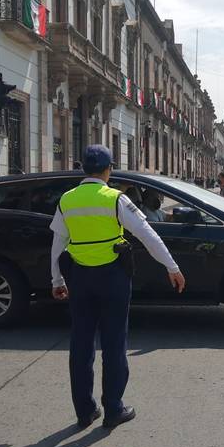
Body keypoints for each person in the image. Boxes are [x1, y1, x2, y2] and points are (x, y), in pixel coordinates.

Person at [50, 145, 186, 430]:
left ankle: (85, 411)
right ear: (108, 169)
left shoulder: (67, 200)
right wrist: (172, 267)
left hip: (80, 278)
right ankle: (113, 409)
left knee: (81, 344)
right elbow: (147, 235)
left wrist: (57, 280)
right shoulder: (115, 199)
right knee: (114, 344)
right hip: (112, 278)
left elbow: (57, 245)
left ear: (83, 168)